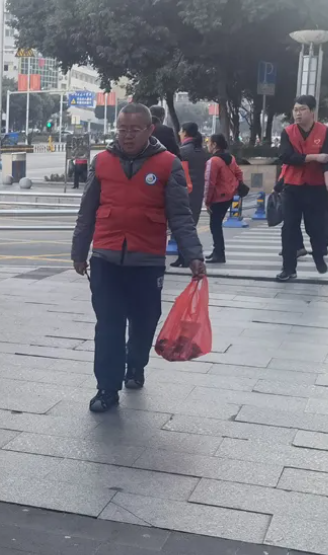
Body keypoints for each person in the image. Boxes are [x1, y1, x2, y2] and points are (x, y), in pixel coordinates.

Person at [72, 104, 205, 413]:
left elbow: (180, 216)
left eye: (134, 130)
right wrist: (79, 251)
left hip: (147, 259)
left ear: (149, 130)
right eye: (122, 130)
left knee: (144, 321)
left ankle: (135, 364)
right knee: (109, 324)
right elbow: (87, 211)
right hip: (106, 257)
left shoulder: (167, 164)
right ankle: (107, 388)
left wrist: (193, 255)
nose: (127, 136)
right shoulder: (102, 162)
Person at [277, 95, 328, 282]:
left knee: (316, 227)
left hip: (316, 188)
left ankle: (319, 255)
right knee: (289, 228)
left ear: (312, 111)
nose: (298, 113)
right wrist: (313, 157)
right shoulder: (287, 132)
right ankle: (288, 269)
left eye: (302, 109)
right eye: (295, 110)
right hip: (292, 187)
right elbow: (286, 156)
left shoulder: (325, 132)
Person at [172, 122, 208, 268]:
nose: (179, 134)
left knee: (182, 225)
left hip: (185, 192)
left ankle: (183, 257)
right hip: (198, 192)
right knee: (191, 225)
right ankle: (186, 257)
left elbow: (180, 174)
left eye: (181, 131)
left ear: (185, 133)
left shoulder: (183, 151)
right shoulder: (201, 151)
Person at [204, 134, 241, 264]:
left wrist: (207, 201)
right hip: (229, 196)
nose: (207, 145)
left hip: (218, 197)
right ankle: (217, 251)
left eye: (208, 142)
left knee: (215, 226)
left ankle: (219, 253)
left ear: (214, 145)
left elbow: (209, 183)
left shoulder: (213, 161)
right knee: (216, 224)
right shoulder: (231, 158)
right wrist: (234, 188)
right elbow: (239, 173)